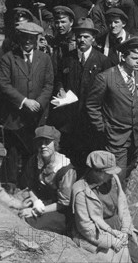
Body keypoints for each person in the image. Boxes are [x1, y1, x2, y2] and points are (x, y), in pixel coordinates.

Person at [86, 37, 138, 185]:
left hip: (136, 136)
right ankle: (115, 205)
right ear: (123, 57)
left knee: (129, 170)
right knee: (117, 176)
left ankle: (121, 200)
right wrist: (103, 128)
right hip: (115, 138)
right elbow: (92, 106)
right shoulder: (106, 77)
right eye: (134, 58)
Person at [0, 21, 54, 189]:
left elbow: (48, 84)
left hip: (35, 117)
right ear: (19, 37)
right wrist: (24, 101)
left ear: (37, 39)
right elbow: (4, 84)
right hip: (15, 118)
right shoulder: (8, 58)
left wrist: (39, 102)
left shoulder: (44, 59)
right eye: (25, 37)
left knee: (32, 153)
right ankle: (11, 187)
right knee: (13, 155)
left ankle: (29, 187)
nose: (28, 41)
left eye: (32, 38)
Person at [52, 17, 112, 168]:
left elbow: (108, 91)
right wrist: (60, 89)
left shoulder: (103, 61)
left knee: (88, 158)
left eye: (86, 37)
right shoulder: (67, 59)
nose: (82, 40)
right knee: (68, 157)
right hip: (70, 120)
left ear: (93, 39)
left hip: (90, 121)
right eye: (79, 36)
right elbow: (59, 79)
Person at [71, 151, 133, 263]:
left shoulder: (113, 179)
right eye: (108, 173)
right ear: (95, 172)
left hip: (116, 227)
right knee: (117, 255)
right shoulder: (80, 190)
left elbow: (123, 207)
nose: (112, 175)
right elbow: (85, 227)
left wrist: (125, 230)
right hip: (93, 235)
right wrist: (112, 241)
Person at [18, 126, 77, 235]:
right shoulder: (35, 160)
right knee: (17, 211)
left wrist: (36, 210)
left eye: (47, 142)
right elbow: (30, 186)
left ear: (55, 144)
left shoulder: (65, 169)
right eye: (40, 142)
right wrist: (35, 201)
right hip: (39, 200)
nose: (43, 146)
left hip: (58, 210)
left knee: (30, 223)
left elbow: (64, 203)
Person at [96, 8, 138, 92]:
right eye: (110, 22)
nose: (113, 25)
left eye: (116, 22)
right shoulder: (101, 41)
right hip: (108, 86)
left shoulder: (134, 41)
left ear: (124, 23)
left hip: (130, 86)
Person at [48, 6, 76, 76]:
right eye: (57, 22)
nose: (60, 25)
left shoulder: (78, 39)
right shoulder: (56, 39)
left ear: (71, 22)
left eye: (63, 22)